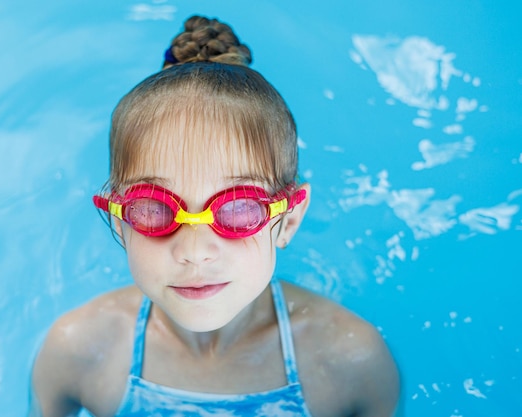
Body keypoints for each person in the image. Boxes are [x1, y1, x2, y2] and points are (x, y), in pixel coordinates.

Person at [29, 15, 400, 417]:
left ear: (289, 219)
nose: (195, 251)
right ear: (120, 221)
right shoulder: (79, 350)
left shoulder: (349, 363)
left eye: (239, 208)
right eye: (154, 208)